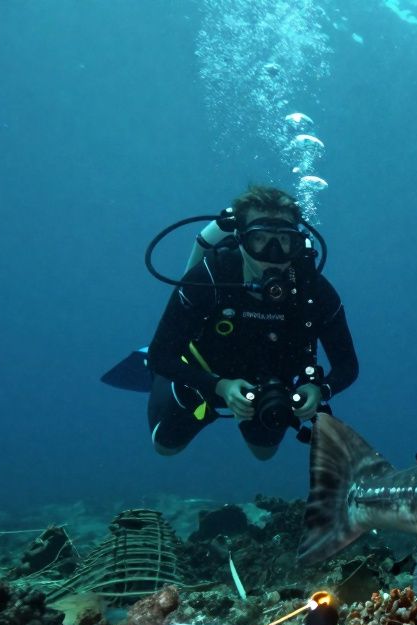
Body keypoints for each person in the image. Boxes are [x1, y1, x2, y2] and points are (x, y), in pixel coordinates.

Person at [147, 185, 359, 459]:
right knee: (165, 447)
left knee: (264, 453)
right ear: (240, 239)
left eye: (284, 240)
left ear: (297, 243)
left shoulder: (314, 291)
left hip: (270, 389)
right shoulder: (209, 278)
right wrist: (219, 386)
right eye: (259, 239)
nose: (273, 253)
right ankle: (181, 393)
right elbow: (160, 356)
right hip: (202, 381)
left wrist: (319, 389)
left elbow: (347, 366)